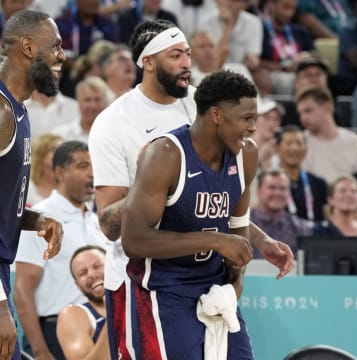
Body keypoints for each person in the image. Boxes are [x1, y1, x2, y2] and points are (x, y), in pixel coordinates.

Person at [89, 20, 294, 359]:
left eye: (187, 54)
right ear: (148, 62)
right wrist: (151, 180)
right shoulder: (115, 123)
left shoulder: (201, 105)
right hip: (142, 277)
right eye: (175, 55)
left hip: (205, 273)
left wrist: (257, 240)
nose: (186, 63)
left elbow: (210, 197)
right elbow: (111, 226)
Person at [119, 70, 259, 359]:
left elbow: (238, 225)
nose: (253, 128)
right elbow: (133, 240)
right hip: (163, 291)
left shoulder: (247, 154)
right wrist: (214, 242)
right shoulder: (167, 154)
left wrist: (238, 276)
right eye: (246, 119)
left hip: (214, 288)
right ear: (217, 115)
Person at [0, 9, 65, 360]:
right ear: (27, 47)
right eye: (55, 45)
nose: (62, 55)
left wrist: (35, 220)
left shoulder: (18, 110)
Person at [14, 141, 108, 360]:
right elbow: (22, 290)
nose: (92, 174)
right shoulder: (40, 219)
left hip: (100, 324)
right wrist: (40, 351)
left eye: (94, 166)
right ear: (59, 172)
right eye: (83, 166)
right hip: (54, 331)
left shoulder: (96, 222)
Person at [296, 85, 357, 183]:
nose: (303, 118)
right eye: (300, 113)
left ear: (327, 106)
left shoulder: (355, 142)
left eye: (308, 111)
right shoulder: (298, 144)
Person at [56, 245, 110, 360]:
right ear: (77, 285)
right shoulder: (72, 315)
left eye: (97, 266)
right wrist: (112, 320)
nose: (91, 274)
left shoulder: (140, 302)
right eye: (83, 273)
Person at [250, 169, 314, 258]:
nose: (278, 193)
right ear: (259, 191)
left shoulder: (301, 228)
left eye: (283, 189)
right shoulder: (243, 222)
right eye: (272, 187)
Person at [276, 125, 328, 221]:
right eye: (289, 143)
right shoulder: (270, 184)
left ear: (306, 149)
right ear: (277, 148)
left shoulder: (319, 184)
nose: (294, 148)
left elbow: (328, 218)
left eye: (299, 143)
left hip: (314, 235)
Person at [53, 76, 113, 142]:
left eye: (97, 99)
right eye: (87, 100)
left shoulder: (116, 134)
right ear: (79, 104)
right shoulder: (61, 136)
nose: (93, 105)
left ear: (107, 103)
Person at [27, 133, 64, 206]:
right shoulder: (27, 188)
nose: (61, 153)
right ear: (40, 155)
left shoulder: (69, 186)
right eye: (53, 149)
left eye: (62, 149)